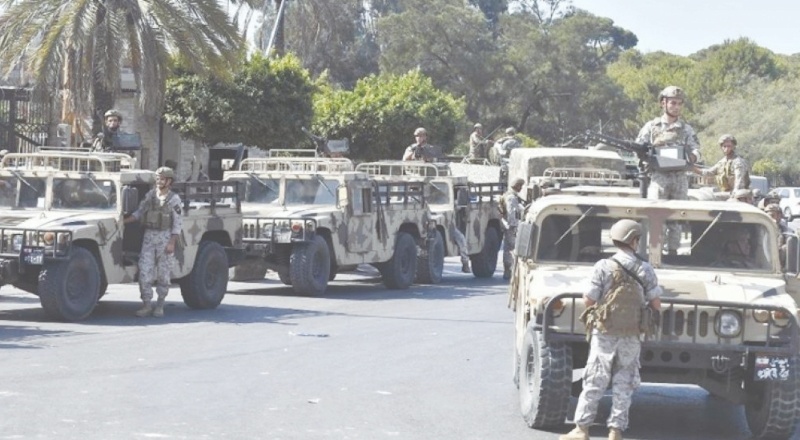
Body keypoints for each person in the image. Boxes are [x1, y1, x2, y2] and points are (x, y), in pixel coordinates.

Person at [563, 219, 661, 440]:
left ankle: (582, 429)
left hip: (604, 332)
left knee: (595, 379)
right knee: (624, 381)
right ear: (635, 241)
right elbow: (656, 303)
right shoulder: (645, 268)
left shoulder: (603, 266)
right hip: (632, 334)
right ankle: (616, 430)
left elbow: (589, 299)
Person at [636, 86, 702, 255]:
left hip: (679, 178)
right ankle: (655, 253)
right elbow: (638, 148)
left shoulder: (686, 129)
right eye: (673, 103)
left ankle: (673, 253)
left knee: (677, 219)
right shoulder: (652, 127)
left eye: (679, 103)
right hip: (659, 177)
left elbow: (696, 150)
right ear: (663, 103)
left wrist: (691, 158)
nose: (676, 107)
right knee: (655, 216)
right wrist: (646, 157)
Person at [123, 167, 183, 318]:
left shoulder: (174, 200)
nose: (159, 181)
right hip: (149, 238)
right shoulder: (150, 196)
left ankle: (160, 305)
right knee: (144, 272)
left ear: (169, 181)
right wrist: (124, 221)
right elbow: (139, 212)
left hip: (165, 238)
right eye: (157, 178)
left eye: (162, 179)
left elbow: (177, 223)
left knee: (163, 275)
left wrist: (172, 242)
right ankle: (146, 304)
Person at [501, 178, 526, 280]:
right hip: (512, 227)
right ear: (517, 186)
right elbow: (512, 213)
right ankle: (510, 271)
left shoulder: (510, 195)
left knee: (508, 249)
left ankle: (508, 271)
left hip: (509, 227)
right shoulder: (511, 197)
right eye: (520, 186)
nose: (521, 188)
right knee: (513, 249)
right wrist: (514, 226)